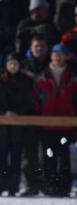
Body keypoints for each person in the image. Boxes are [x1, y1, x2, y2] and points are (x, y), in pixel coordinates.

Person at [0, 53, 35, 196]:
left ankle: (13, 187)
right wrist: (5, 112)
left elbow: (28, 102)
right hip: (1, 126)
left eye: (15, 64)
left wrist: (16, 113)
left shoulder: (26, 81)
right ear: (6, 65)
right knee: (0, 158)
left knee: (16, 158)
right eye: (10, 64)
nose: (13, 66)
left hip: (18, 125)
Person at [32, 44, 76, 197]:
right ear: (51, 56)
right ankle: (49, 186)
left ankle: (64, 188)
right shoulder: (42, 76)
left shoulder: (72, 77)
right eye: (55, 54)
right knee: (48, 155)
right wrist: (39, 115)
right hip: (47, 125)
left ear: (65, 57)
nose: (57, 57)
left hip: (66, 124)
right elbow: (35, 99)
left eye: (60, 55)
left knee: (64, 156)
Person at [18, 34, 50, 196]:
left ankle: (47, 184)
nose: (39, 49)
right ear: (31, 48)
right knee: (28, 153)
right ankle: (32, 184)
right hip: (28, 114)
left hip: (49, 115)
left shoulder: (52, 65)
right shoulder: (23, 66)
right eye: (36, 46)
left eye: (42, 46)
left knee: (49, 152)